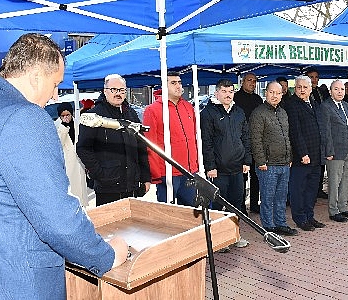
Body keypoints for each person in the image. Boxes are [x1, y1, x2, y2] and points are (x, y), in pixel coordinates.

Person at [0, 33, 127, 299]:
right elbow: (57, 219)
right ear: (35, 77)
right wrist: (106, 255)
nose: (55, 95)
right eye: (55, 83)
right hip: (5, 281)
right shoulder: (25, 117)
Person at [77, 74, 151, 206]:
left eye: (122, 90)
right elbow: (83, 148)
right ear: (105, 91)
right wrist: (100, 174)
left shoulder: (131, 114)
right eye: (114, 90)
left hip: (132, 186)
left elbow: (141, 147)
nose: (118, 94)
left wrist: (145, 178)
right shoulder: (94, 116)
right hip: (108, 188)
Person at [200, 79, 251, 249]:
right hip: (218, 170)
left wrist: (247, 160)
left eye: (230, 91)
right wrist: (210, 166)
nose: (228, 94)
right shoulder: (208, 114)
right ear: (217, 93)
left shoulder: (239, 112)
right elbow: (205, 142)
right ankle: (220, 241)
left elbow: (246, 137)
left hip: (238, 168)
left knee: (236, 204)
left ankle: (234, 236)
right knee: (219, 205)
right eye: (224, 91)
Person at [143, 71, 198, 205]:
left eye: (179, 82)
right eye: (173, 83)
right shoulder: (152, 110)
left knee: (192, 213)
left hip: (189, 171)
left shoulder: (188, 107)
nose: (178, 86)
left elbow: (195, 137)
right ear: (164, 86)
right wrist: (156, 175)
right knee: (170, 215)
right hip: (168, 173)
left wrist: (196, 165)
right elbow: (150, 143)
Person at [249, 81, 297, 236]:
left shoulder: (283, 112)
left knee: (281, 197)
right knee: (268, 198)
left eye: (278, 93)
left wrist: (289, 157)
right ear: (266, 93)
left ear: (282, 94)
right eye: (272, 92)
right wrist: (261, 161)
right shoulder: (258, 113)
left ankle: (281, 223)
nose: (275, 96)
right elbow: (255, 140)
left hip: (284, 163)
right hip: (268, 165)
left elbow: (287, 137)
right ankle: (268, 227)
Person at [285, 75, 327, 230]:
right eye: (298, 87)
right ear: (294, 89)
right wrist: (303, 154)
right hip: (302, 157)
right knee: (298, 189)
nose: (302, 90)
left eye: (305, 87)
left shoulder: (314, 103)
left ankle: (310, 216)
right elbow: (295, 132)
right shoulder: (291, 104)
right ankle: (300, 219)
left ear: (310, 89)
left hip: (316, 156)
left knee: (312, 189)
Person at [321, 80, 348, 217]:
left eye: (342, 89)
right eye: (336, 89)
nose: (340, 92)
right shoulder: (325, 107)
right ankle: (333, 210)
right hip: (335, 151)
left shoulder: (346, 106)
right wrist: (329, 151)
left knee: (347, 180)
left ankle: (343, 207)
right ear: (331, 91)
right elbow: (325, 131)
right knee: (334, 181)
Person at [234, 72, 263, 214]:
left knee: (256, 176)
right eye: (249, 80)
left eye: (254, 81)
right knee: (242, 177)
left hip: (256, 143)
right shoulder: (235, 99)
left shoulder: (258, 99)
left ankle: (254, 204)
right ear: (242, 82)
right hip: (241, 143)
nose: (252, 83)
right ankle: (240, 205)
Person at [55, 102, 89, 206]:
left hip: (79, 163)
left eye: (68, 115)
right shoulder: (56, 126)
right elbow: (58, 144)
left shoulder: (77, 123)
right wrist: (64, 128)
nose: (66, 117)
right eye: (63, 115)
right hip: (67, 165)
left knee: (81, 192)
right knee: (71, 193)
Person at [306, 68, 329, 199]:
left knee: (321, 163)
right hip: (311, 132)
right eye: (311, 77)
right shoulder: (305, 93)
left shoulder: (320, 92)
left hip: (322, 130)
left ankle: (319, 188)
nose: (314, 79)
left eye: (315, 77)